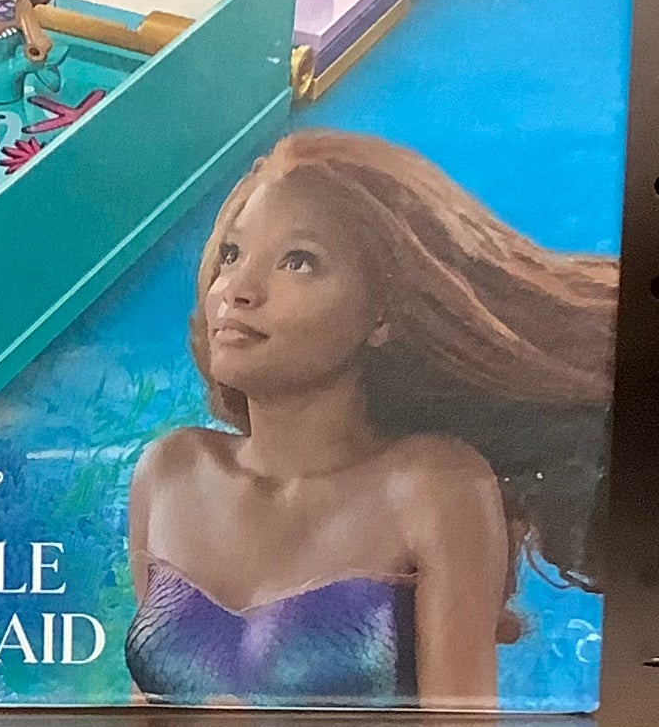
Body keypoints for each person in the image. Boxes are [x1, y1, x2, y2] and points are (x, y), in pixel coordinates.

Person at [125, 130, 616, 710]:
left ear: (381, 315)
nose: (238, 291)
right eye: (231, 255)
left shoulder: (435, 486)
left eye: (298, 262)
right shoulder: (170, 470)